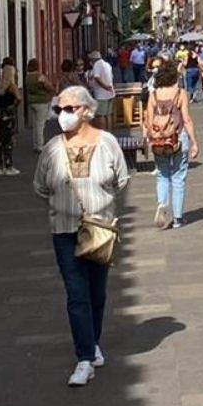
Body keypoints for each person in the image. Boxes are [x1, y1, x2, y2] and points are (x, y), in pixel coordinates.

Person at [33, 85, 131, 388]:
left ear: (86, 111)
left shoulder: (107, 143)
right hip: (64, 229)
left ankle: (93, 342)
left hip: (99, 228)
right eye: (59, 109)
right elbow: (40, 186)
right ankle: (85, 358)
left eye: (69, 108)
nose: (62, 114)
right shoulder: (51, 149)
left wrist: (104, 207)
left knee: (96, 293)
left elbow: (122, 180)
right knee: (76, 294)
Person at [144, 60, 197, 230]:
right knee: (178, 177)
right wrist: (194, 142)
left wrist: (149, 137)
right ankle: (178, 218)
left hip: (159, 140)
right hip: (178, 138)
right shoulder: (180, 93)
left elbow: (148, 120)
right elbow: (187, 119)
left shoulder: (153, 95)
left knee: (162, 174)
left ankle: (162, 204)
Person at [0, 60, 21, 175]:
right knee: (8, 141)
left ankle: (0, 167)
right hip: (8, 116)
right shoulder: (12, 87)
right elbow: (19, 99)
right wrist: (13, 106)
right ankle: (9, 166)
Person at [23, 59, 53, 149]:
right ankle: (40, 145)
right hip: (41, 102)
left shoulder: (27, 77)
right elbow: (47, 86)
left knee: (35, 124)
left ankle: (35, 144)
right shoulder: (39, 76)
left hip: (32, 101)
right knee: (40, 125)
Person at [85, 49, 117, 113]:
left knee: (100, 115)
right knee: (108, 114)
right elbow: (111, 77)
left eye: (91, 59)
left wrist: (105, 87)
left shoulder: (97, 64)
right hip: (110, 93)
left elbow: (97, 77)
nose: (90, 62)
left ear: (94, 59)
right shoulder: (107, 64)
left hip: (101, 95)